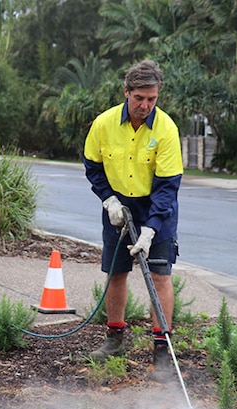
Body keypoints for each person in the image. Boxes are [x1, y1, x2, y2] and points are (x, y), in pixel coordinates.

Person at [82, 59, 183, 364]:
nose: (145, 105)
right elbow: (93, 166)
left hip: (156, 209)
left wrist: (151, 229)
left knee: (160, 275)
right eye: (139, 98)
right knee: (117, 273)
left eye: (152, 99)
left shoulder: (166, 129)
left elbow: (168, 186)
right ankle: (114, 339)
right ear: (126, 92)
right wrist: (108, 200)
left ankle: (162, 348)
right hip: (118, 208)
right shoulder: (104, 124)